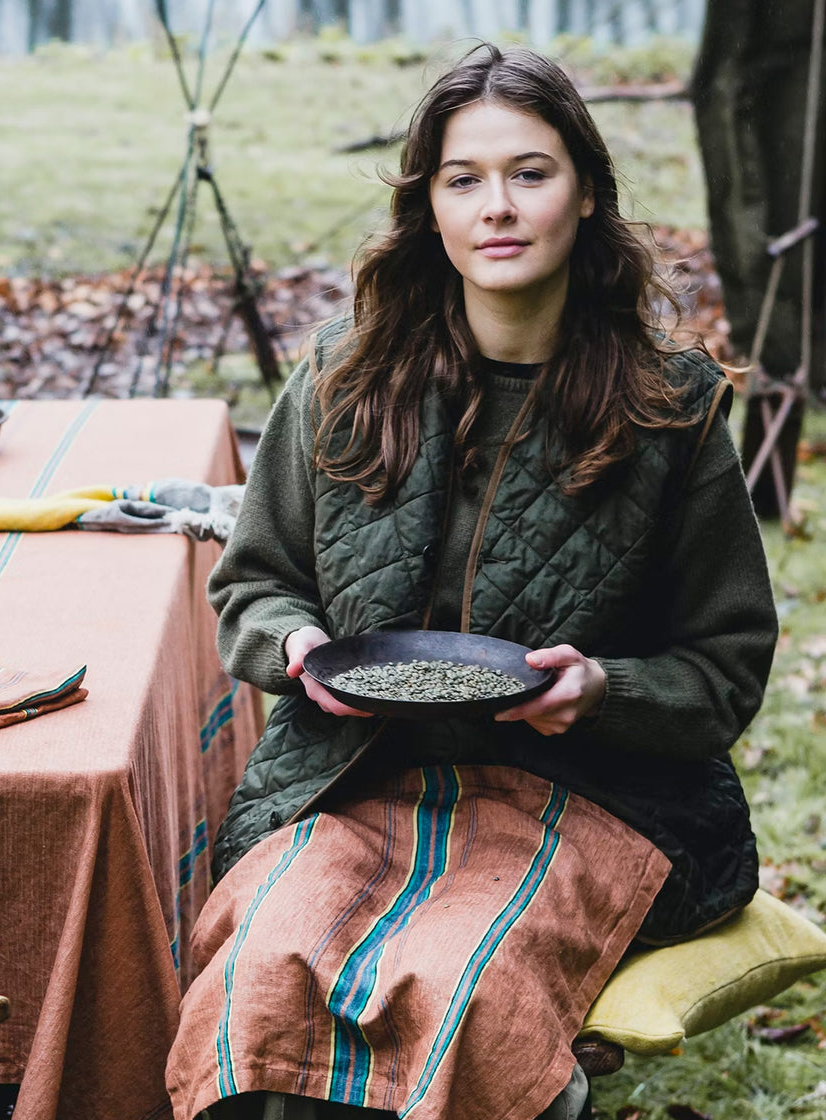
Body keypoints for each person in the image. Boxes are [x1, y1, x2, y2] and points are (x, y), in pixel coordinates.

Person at [166, 43, 778, 1120]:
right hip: (353, 777)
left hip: (587, 799)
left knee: (457, 982)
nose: (496, 207)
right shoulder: (341, 377)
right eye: (463, 179)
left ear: (584, 194)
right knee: (260, 971)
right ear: (429, 209)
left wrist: (601, 688)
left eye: (528, 173)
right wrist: (294, 647)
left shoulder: (670, 410)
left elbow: (722, 667)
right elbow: (255, 583)